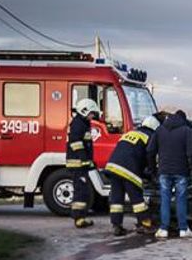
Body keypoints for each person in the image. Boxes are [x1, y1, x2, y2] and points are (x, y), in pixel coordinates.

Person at [147, 108, 192, 238]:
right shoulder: (187, 130)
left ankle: (163, 229)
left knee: (165, 199)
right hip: (181, 171)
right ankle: (183, 229)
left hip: (163, 171)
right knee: (181, 199)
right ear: (184, 120)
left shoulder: (159, 130)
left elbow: (150, 151)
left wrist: (153, 170)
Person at [106, 114, 159, 236]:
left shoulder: (130, 133)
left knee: (116, 199)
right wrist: (152, 172)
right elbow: (149, 156)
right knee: (137, 198)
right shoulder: (150, 136)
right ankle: (145, 223)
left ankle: (116, 225)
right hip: (129, 169)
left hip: (113, 167)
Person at [66, 98, 100, 227]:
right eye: (91, 113)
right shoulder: (77, 124)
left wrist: (89, 161)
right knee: (81, 191)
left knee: (84, 190)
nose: (92, 116)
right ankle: (79, 219)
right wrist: (85, 160)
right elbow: (76, 144)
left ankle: (81, 217)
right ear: (84, 111)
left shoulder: (82, 123)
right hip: (77, 163)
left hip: (81, 163)